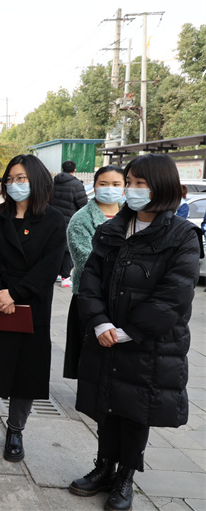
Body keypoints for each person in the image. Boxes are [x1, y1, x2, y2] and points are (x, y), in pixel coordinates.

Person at [70, 154, 201, 511]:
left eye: (140, 183)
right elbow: (90, 279)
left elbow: (174, 295)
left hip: (148, 343)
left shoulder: (182, 236)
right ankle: (103, 467)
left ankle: (126, 476)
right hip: (105, 335)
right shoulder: (111, 229)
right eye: (130, 182)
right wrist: (100, 322)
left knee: (134, 410)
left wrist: (128, 331)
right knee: (106, 405)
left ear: (162, 186)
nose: (132, 190)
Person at [0, 154, 65, 462]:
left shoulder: (54, 219)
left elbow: (49, 267)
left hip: (31, 304)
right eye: (10, 179)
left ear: (37, 180)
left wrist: (16, 294)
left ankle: (16, 430)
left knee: (26, 372)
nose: (15, 184)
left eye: (21, 178)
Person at [62, 165, 125, 380]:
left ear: (124, 188)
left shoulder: (134, 216)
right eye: (103, 184)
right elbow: (86, 262)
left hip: (126, 299)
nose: (110, 189)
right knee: (91, 363)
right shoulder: (81, 219)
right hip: (91, 297)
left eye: (116, 184)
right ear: (95, 187)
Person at [49, 160, 87, 284]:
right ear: (75, 170)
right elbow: (83, 204)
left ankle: (56, 273)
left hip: (53, 220)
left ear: (62, 169)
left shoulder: (53, 183)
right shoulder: (77, 185)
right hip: (70, 221)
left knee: (56, 246)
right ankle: (65, 276)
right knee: (68, 248)